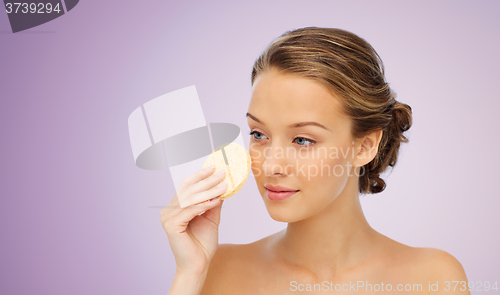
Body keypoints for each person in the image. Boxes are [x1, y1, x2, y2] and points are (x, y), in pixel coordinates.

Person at [161, 27, 470, 294]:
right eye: (258, 134)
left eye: (303, 140)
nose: (270, 166)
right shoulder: (218, 271)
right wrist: (190, 274)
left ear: (364, 146)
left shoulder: (434, 279)